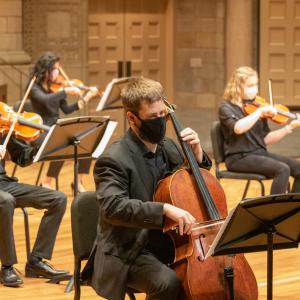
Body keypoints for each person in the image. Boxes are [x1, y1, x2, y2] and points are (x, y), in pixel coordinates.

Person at [84, 77, 212, 300]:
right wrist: (163, 209)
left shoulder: (169, 147)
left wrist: (197, 155)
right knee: (168, 283)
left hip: (168, 240)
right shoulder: (113, 159)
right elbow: (113, 208)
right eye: (153, 117)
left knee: (206, 274)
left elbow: (190, 185)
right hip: (129, 248)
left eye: (163, 114)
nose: (161, 121)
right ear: (132, 118)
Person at [219, 66, 300, 194]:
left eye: (256, 84)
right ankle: (275, 210)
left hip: (259, 154)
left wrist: (289, 127)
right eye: (250, 85)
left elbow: (266, 140)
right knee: (282, 169)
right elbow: (238, 128)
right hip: (238, 158)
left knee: (298, 168)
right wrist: (259, 112)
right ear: (238, 86)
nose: (255, 89)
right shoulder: (226, 108)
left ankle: (293, 209)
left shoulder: (256, 106)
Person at [0, 135, 68, 287]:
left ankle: (35, 261)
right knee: (6, 201)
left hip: (4, 184)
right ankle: (7, 267)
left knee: (58, 198)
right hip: (4, 196)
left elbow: (22, 157)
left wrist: (38, 148)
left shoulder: (2, 127)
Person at [29, 52, 98, 192]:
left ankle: (78, 182)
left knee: (86, 142)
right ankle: (46, 181)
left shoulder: (56, 86)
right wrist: (65, 90)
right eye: (54, 69)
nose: (57, 72)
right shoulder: (34, 86)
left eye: (58, 69)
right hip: (39, 128)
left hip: (55, 126)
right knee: (61, 142)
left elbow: (66, 109)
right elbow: (45, 100)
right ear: (45, 70)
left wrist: (86, 98)